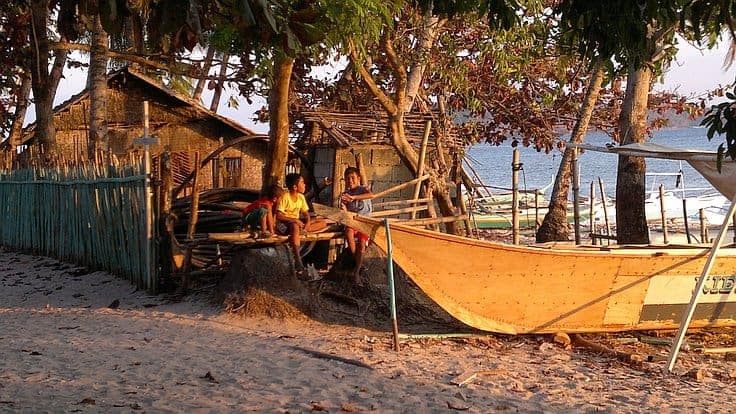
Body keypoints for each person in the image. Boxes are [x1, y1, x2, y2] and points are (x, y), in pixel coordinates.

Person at [275, 173, 326, 280]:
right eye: (302, 182)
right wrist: (294, 220)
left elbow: (306, 214)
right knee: (294, 226)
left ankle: (301, 231)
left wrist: (307, 223)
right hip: (285, 224)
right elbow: (279, 215)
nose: (304, 184)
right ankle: (298, 260)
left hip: (298, 224)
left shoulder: (301, 197)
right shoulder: (286, 197)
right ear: (294, 187)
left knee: (322, 222)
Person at [339, 167, 373, 284]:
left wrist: (354, 198)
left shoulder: (363, 189)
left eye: (353, 178)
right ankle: (356, 262)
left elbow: (371, 195)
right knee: (348, 232)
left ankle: (356, 272)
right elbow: (346, 213)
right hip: (353, 222)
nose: (350, 181)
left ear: (358, 178)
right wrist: (343, 209)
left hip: (365, 223)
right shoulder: (345, 194)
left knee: (362, 244)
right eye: (348, 179)